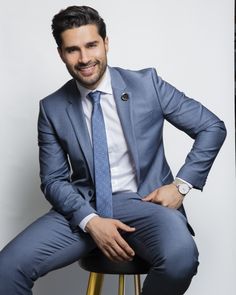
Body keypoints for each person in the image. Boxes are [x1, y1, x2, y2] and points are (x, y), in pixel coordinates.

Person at [0, 5, 226, 295]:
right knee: (6, 269)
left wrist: (181, 186)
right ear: (61, 54)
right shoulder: (52, 108)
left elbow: (211, 127)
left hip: (145, 202)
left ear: (105, 43)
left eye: (91, 45)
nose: (84, 59)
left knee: (180, 258)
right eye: (72, 50)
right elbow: (53, 180)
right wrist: (91, 221)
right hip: (84, 206)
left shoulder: (148, 85)